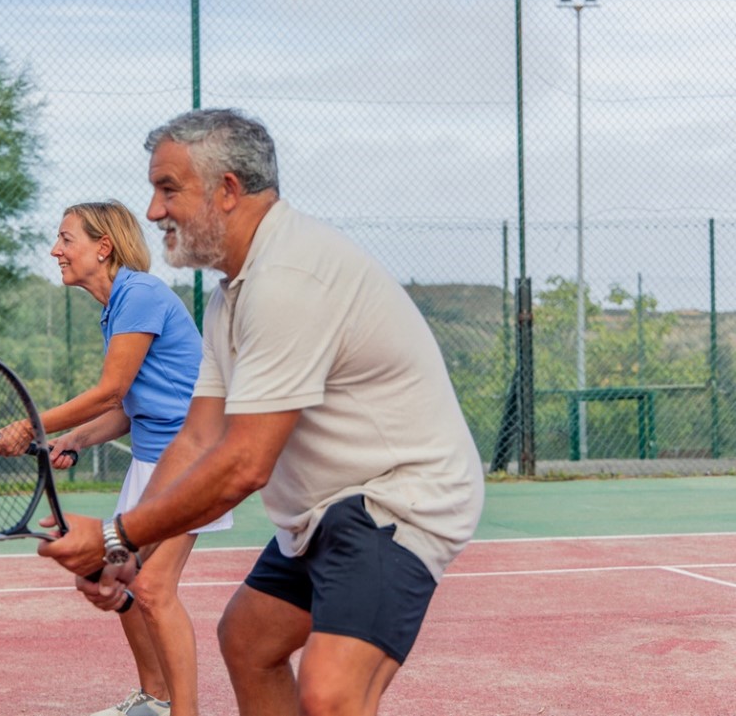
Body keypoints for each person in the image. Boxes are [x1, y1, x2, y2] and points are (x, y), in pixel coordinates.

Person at [38, 109, 486, 716]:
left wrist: (118, 536)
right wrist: (127, 555)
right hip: (327, 509)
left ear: (227, 190)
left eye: (168, 189)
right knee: (249, 641)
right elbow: (197, 440)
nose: (152, 211)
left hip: (398, 498)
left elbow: (245, 462)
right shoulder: (232, 294)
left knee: (330, 693)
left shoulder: (287, 278)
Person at [0, 199, 232, 716]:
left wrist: (29, 426)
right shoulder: (117, 306)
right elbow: (129, 407)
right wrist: (74, 440)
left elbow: (110, 390)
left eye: (66, 239)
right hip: (152, 463)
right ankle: (156, 700)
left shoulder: (140, 293)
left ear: (103, 248)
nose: (55, 250)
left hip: (190, 460)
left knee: (153, 586)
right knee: (115, 572)